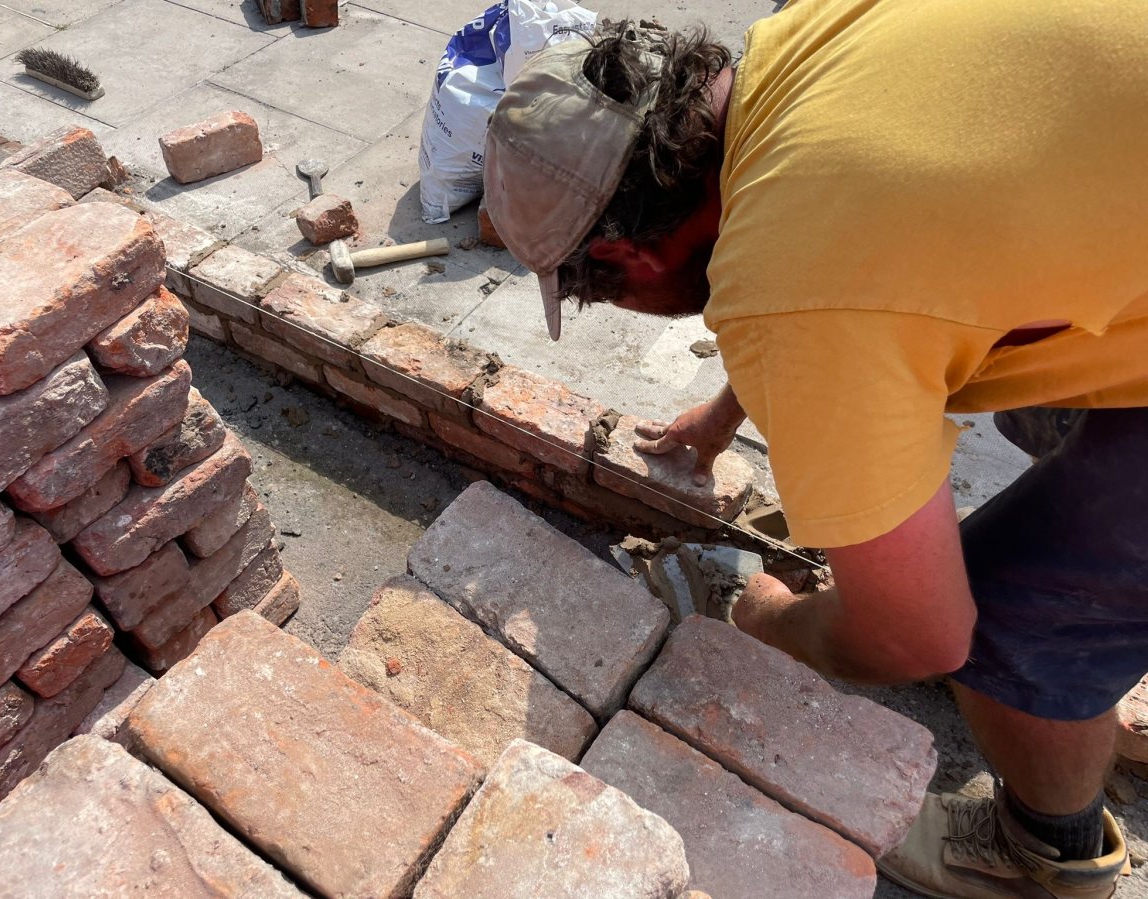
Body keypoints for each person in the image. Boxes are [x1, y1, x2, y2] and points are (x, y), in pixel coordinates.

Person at [480, 2, 1148, 896]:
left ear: (627, 258)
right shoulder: (808, 40)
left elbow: (918, 635)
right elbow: (832, 234)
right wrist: (722, 418)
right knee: (1028, 387)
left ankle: (1048, 856)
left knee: (1008, 618)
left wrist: (765, 619)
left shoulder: (790, 289)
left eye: (600, 290)